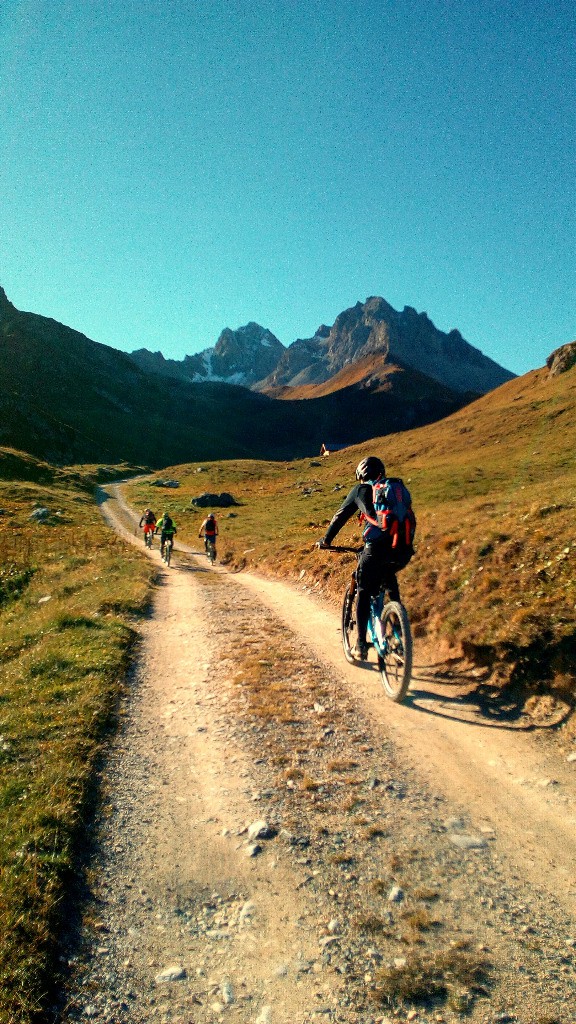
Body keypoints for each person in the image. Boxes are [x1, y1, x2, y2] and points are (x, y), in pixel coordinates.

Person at [317, 456, 414, 660]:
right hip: (402, 549)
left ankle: (360, 644)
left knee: (362, 590)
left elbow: (340, 517)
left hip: (376, 549)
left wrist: (325, 540)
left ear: (361, 474)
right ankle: (400, 633)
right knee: (389, 579)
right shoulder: (394, 489)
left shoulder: (360, 490)